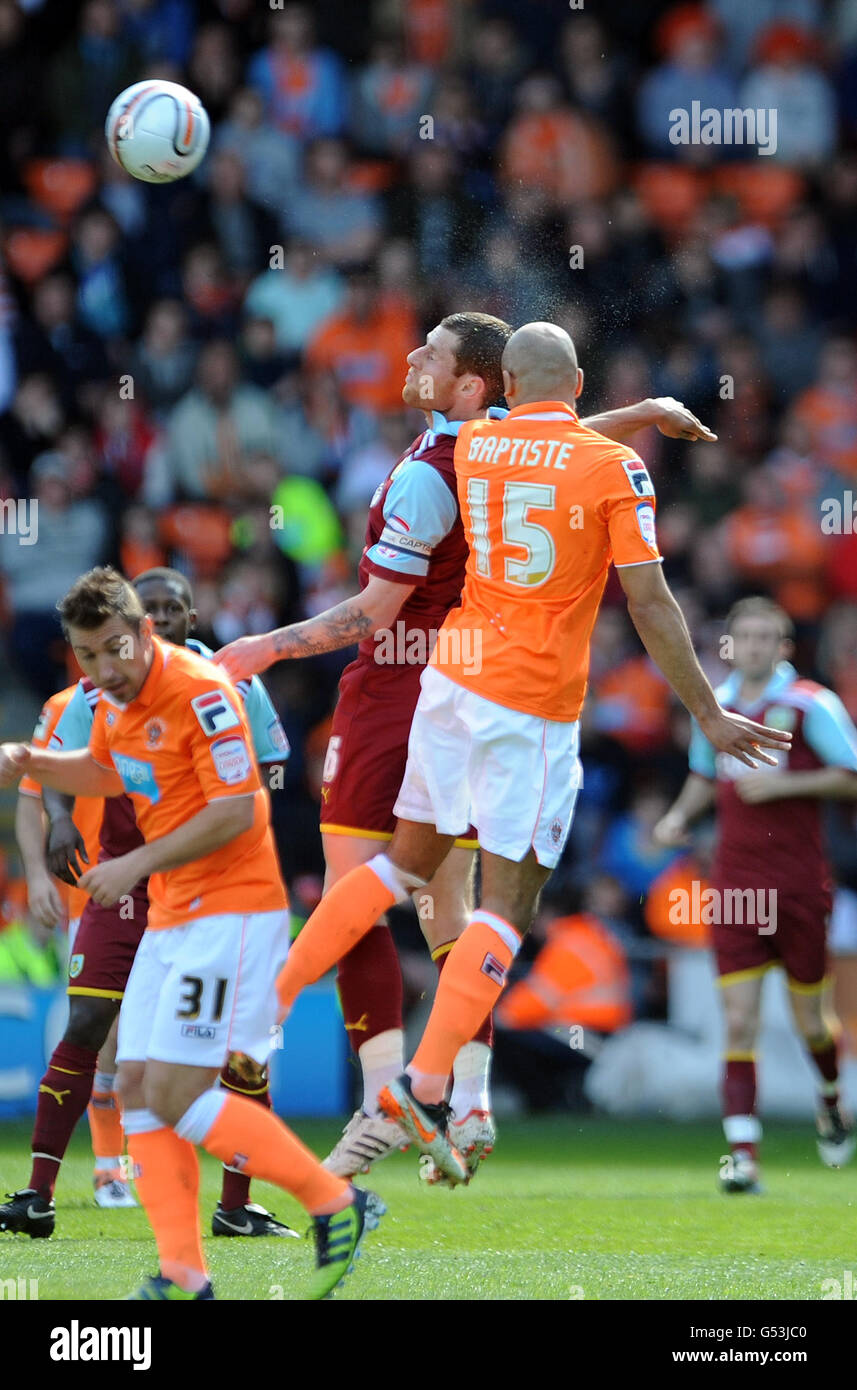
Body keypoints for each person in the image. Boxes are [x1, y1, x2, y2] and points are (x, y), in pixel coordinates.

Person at [261, 321, 792, 1186]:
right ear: (578, 383)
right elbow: (652, 606)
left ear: (502, 382)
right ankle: (423, 1086)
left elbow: (542, 433)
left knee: (402, 869)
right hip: (530, 706)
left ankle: (267, 1005)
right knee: (504, 907)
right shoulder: (609, 465)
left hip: (447, 683)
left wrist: (642, 411)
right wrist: (707, 713)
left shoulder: (478, 447)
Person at [0, 568, 383, 1299]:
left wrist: (135, 862)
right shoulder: (113, 701)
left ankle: (336, 1200)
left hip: (231, 912)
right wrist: (30, 760)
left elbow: (238, 809)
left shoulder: (203, 691)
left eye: (114, 648)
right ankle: (182, 1272)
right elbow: (103, 772)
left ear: (146, 631)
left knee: (177, 1091)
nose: (103, 668)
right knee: (137, 1084)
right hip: (175, 911)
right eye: (86, 655)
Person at [655, 595, 857, 1193]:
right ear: (730, 645)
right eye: (744, 636)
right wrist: (676, 819)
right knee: (738, 1021)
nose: (755, 646)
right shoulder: (712, 707)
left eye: (767, 637)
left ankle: (829, 1102)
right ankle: (743, 1156)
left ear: (784, 646)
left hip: (798, 887)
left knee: (811, 1023)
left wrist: (785, 784)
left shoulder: (809, 703)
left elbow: (851, 775)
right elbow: (702, 773)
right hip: (736, 887)